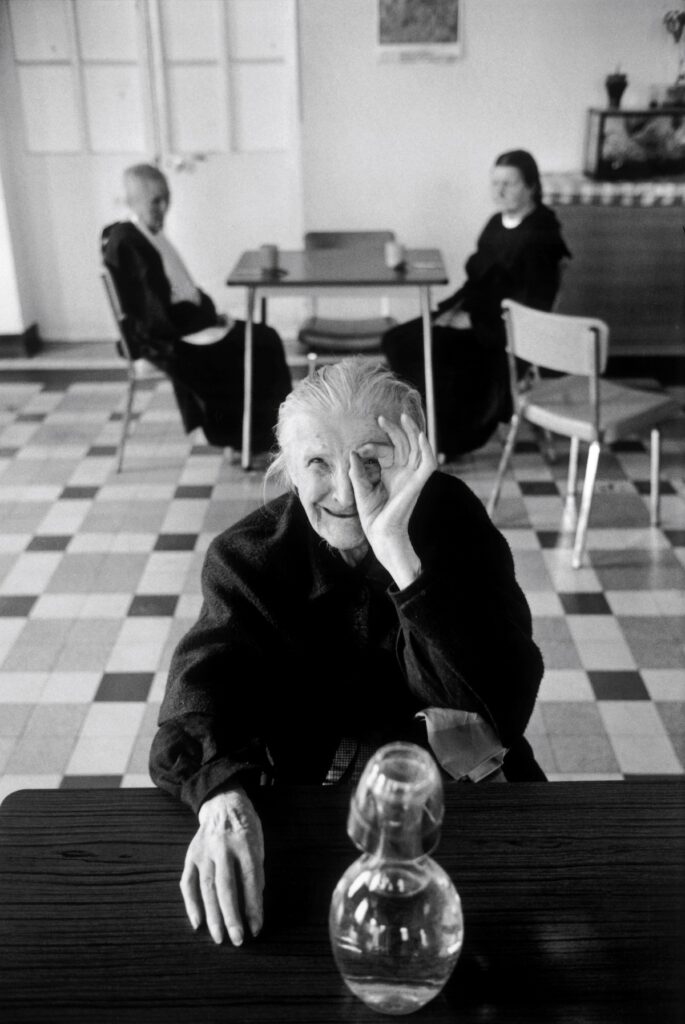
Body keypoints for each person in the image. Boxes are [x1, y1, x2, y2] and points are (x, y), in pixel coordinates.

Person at [149, 357, 545, 947]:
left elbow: (498, 708)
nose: (346, 491)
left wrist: (401, 558)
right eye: (317, 463)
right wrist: (222, 802)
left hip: (461, 786)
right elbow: (198, 698)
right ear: (286, 471)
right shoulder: (246, 558)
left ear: (412, 457)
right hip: (312, 797)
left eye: (372, 459)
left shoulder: (456, 521)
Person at [381, 149, 571, 459]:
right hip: (472, 312)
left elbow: (532, 308)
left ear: (532, 186)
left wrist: (474, 322)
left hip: (499, 335)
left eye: (509, 183)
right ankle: (426, 429)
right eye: (495, 183)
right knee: (397, 340)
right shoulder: (496, 222)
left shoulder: (542, 236)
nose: (499, 191)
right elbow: (479, 281)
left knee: (428, 349)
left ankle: (443, 437)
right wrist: (454, 312)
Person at [103, 164, 291, 452]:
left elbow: (175, 293)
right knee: (261, 343)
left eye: (166, 198)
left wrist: (211, 316)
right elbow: (157, 317)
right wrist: (209, 318)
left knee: (264, 337)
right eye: (156, 201)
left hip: (186, 326)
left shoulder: (144, 234)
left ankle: (267, 436)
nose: (164, 207)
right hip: (167, 341)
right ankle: (247, 437)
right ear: (133, 201)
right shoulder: (129, 242)